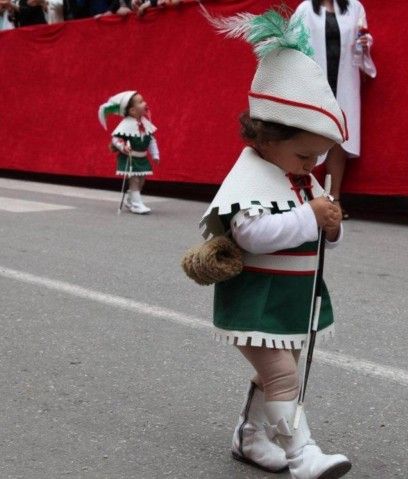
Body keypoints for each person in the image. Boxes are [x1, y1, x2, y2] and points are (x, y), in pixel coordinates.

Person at [198, 9, 351, 479]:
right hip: (256, 299)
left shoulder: (299, 176)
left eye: (319, 156)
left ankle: (251, 435)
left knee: (281, 371)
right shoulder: (251, 177)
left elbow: (322, 230)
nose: (312, 164)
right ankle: (303, 455)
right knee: (284, 374)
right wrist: (310, 218)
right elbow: (251, 233)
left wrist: (330, 225)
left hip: (291, 298)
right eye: (305, 154)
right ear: (265, 137)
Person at [293, 0, 377, 219]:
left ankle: (334, 199)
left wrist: (364, 43)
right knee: (308, 135)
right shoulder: (304, 10)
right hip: (314, 80)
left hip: (344, 82)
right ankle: (301, 198)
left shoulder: (354, 8)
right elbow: (292, 44)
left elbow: (361, 39)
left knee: (340, 139)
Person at [98, 91, 160, 214]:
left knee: (141, 181)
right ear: (132, 111)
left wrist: (155, 154)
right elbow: (116, 140)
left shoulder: (145, 124)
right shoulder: (126, 125)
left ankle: (131, 200)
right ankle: (137, 204)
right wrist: (123, 147)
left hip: (142, 159)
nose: (145, 103)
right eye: (141, 102)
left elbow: (151, 140)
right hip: (130, 158)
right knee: (135, 180)